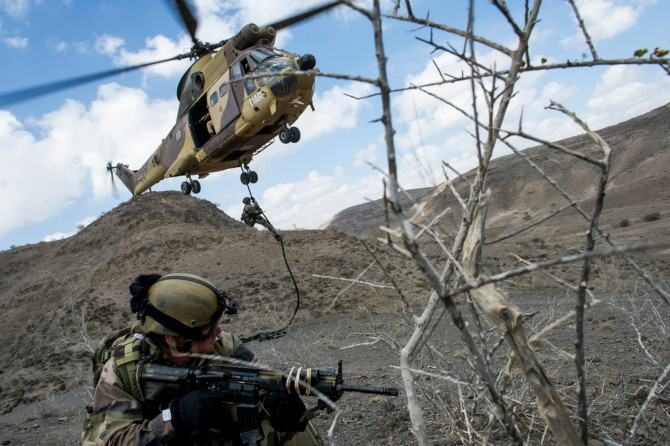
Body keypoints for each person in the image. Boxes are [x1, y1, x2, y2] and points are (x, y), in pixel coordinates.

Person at [82, 273, 322, 446]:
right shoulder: (124, 370)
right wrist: (174, 418)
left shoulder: (224, 344)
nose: (219, 333)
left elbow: (260, 377)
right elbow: (111, 440)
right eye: (209, 330)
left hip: (214, 434)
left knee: (285, 427)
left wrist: (275, 399)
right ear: (175, 340)